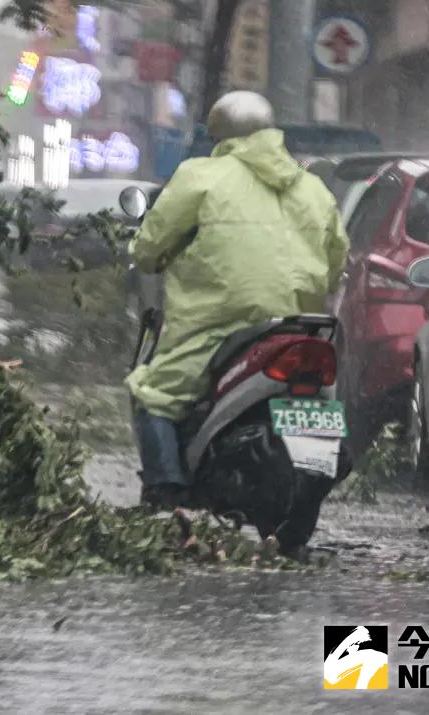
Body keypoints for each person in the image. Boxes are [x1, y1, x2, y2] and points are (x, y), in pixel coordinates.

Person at [127, 91, 350, 509]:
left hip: (217, 322)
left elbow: (149, 248)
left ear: (220, 134)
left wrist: (152, 255)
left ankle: (166, 494)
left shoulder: (200, 176)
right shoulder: (313, 186)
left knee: (153, 395)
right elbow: (337, 259)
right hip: (298, 324)